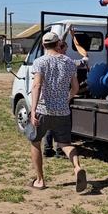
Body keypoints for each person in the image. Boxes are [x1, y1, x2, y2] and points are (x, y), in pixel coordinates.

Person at [28, 32, 87, 192]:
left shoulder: (40, 62)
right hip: (62, 112)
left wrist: (33, 110)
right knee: (65, 144)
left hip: (43, 109)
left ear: (43, 45)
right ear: (57, 44)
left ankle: (40, 180)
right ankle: (77, 167)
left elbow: (37, 86)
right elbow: (75, 87)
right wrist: (67, 98)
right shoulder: (68, 62)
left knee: (35, 142)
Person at [43, 38, 88, 158]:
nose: (66, 52)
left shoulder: (44, 62)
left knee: (49, 126)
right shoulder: (69, 62)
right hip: (62, 100)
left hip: (48, 100)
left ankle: (48, 148)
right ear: (59, 48)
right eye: (65, 50)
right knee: (61, 127)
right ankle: (60, 149)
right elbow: (85, 59)